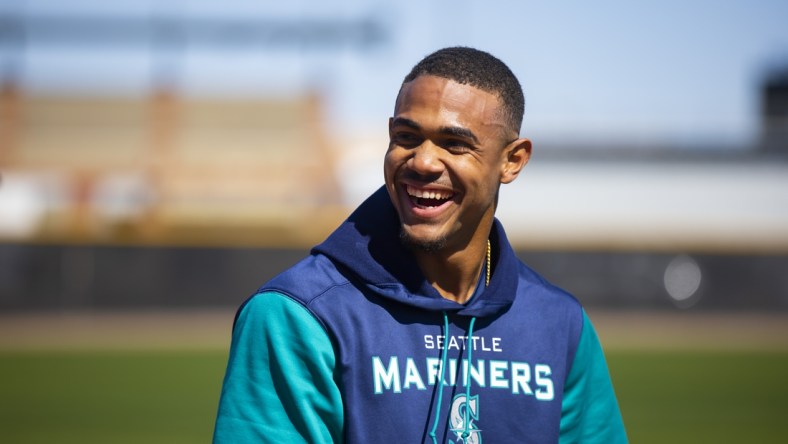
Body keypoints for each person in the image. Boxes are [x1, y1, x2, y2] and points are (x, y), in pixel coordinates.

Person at [213, 46, 627, 443]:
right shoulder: (296, 315)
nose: (423, 162)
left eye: (455, 143)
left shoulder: (560, 324)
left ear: (512, 160)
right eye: (407, 137)